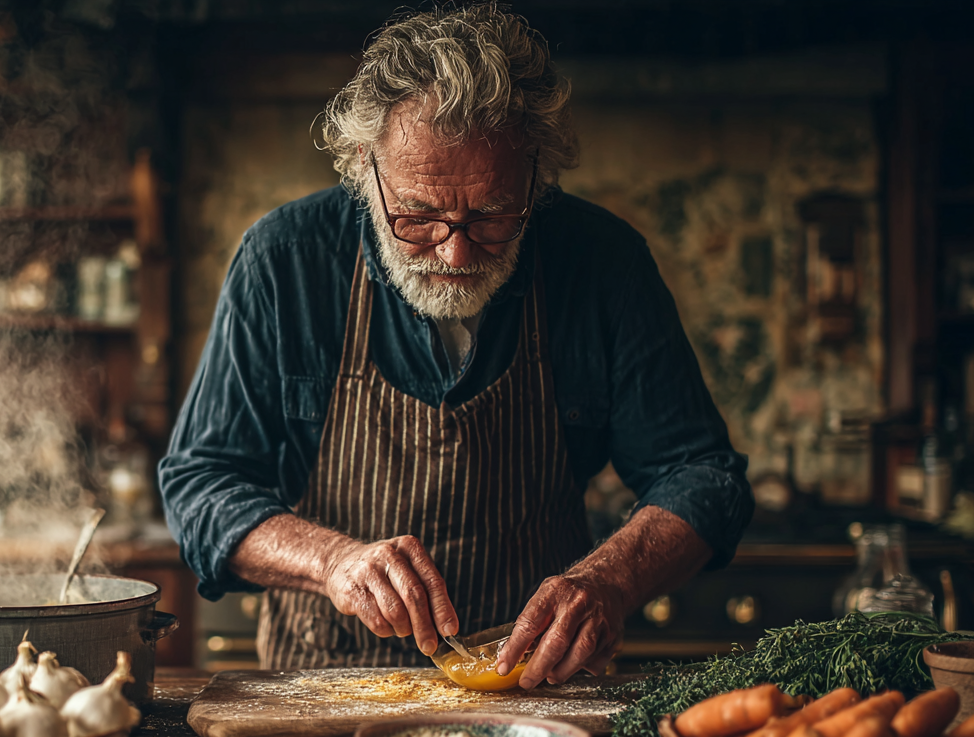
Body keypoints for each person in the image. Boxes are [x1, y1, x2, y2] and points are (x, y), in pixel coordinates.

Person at [159, 4, 754, 687]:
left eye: (495, 214)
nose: (456, 250)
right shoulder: (283, 261)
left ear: (538, 172)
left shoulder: (602, 262)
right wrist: (332, 561)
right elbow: (199, 485)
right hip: (326, 689)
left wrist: (608, 581)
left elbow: (704, 475)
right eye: (418, 216)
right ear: (364, 167)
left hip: (536, 687)